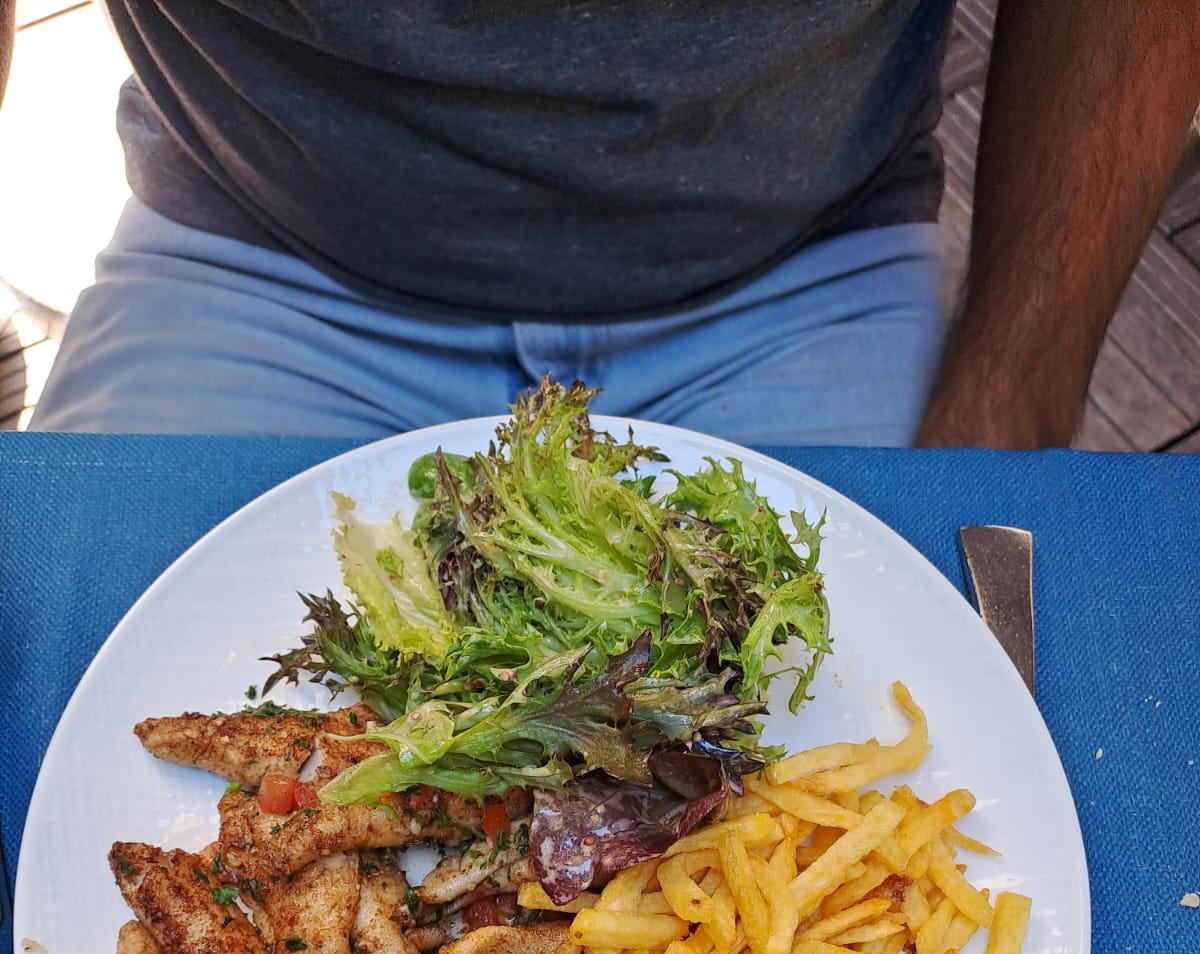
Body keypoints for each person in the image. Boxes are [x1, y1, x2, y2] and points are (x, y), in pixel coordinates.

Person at [5, 1, 1199, 447]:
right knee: (62, 790)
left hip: (798, 270)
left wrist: (1012, 398)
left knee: (960, 819)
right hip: (261, 242)